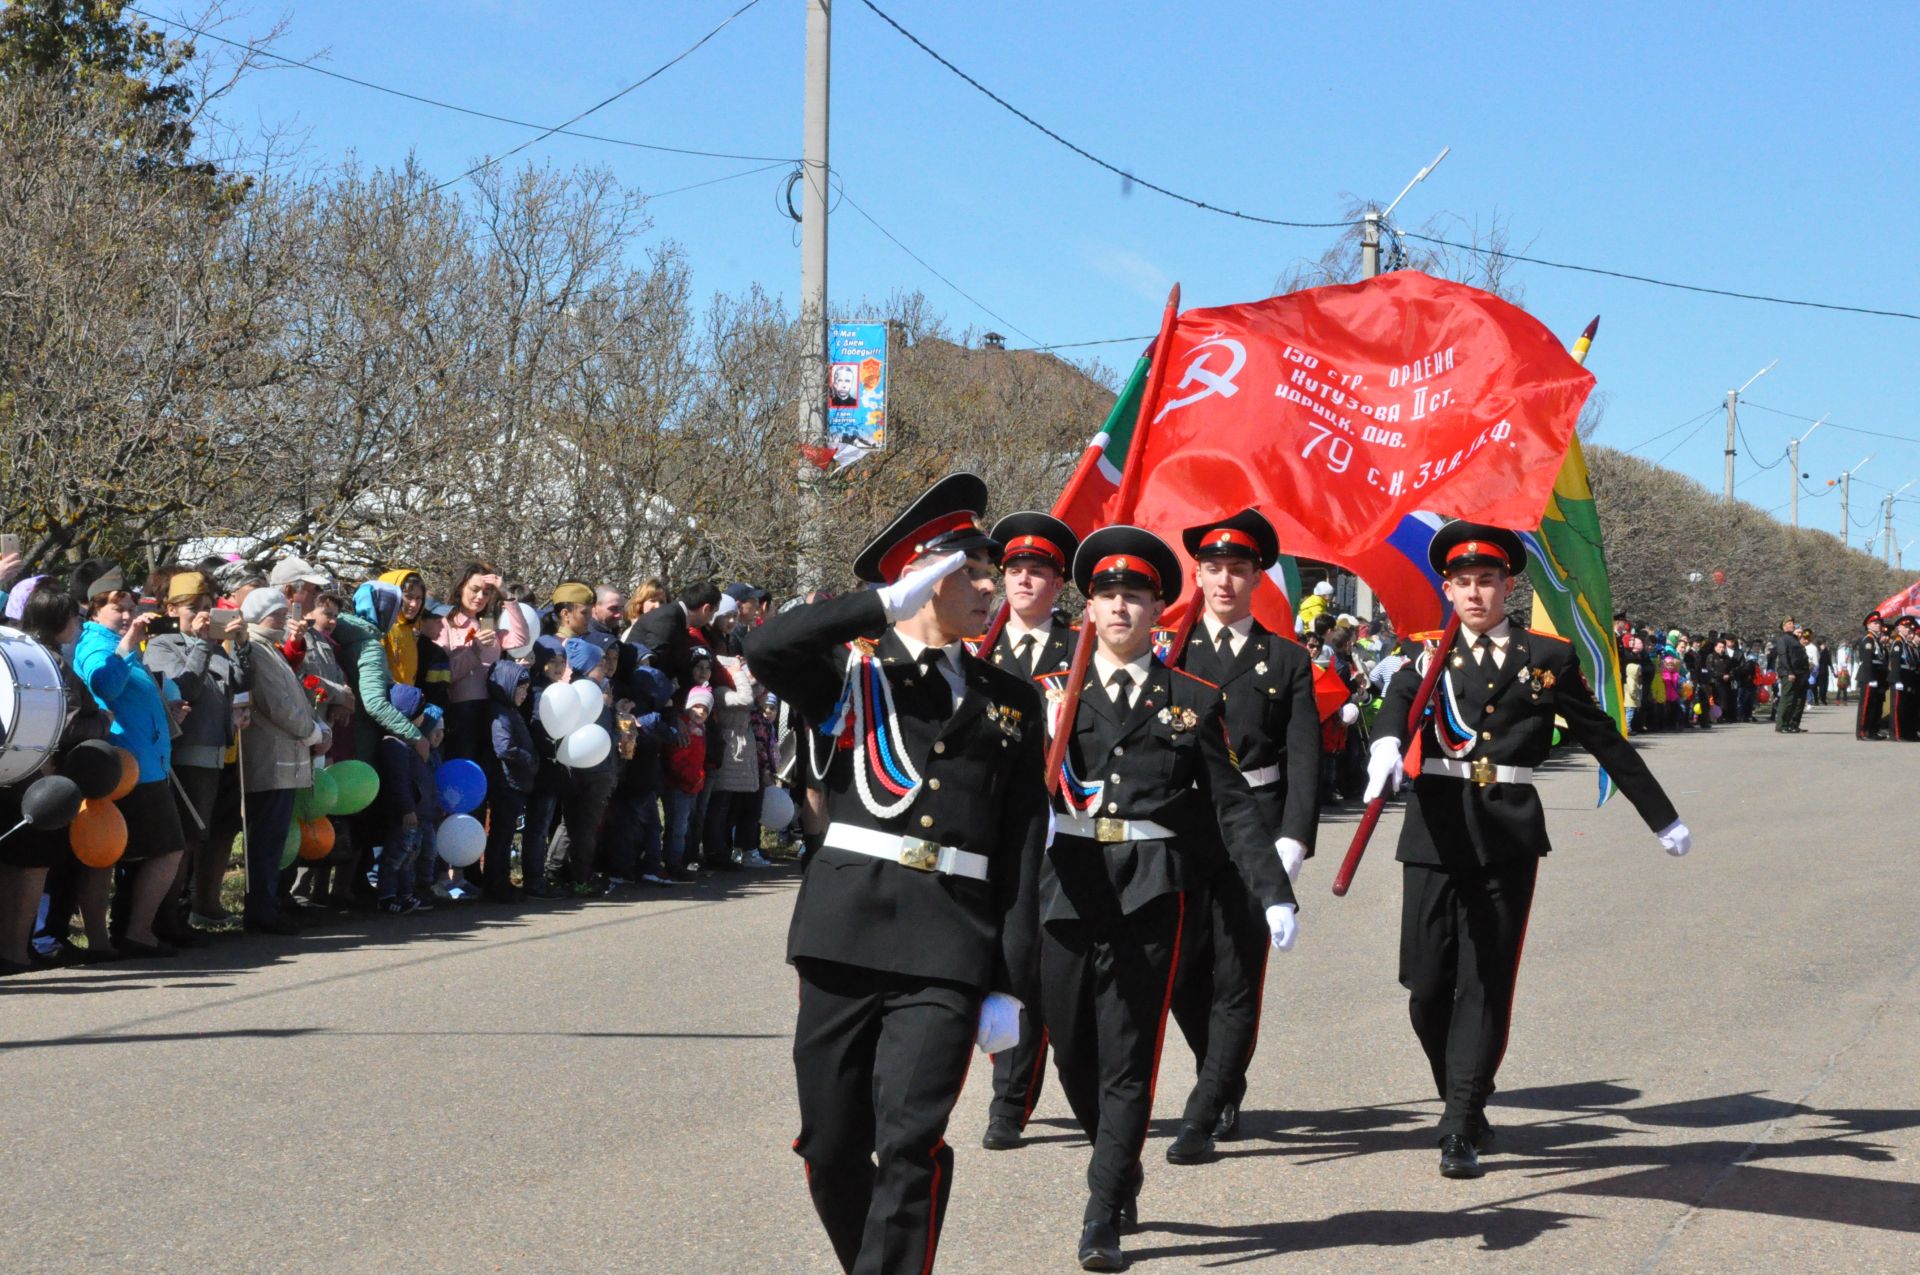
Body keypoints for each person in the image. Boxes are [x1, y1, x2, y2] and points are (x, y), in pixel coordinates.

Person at [743, 473, 1047, 1275]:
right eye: (974, 570)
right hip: (846, 932)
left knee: (910, 1140)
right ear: (922, 576)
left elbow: (1022, 846)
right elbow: (766, 647)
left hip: (950, 942)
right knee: (833, 1144)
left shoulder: (1011, 699)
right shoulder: (853, 677)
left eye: (994, 572)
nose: (992, 586)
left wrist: (1013, 980)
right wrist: (880, 603)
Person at [1363, 521, 1690, 1180]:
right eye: (1463, 581)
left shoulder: (1548, 655)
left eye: (1488, 580)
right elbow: (1397, 704)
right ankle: (1463, 1092)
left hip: (1507, 828)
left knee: (1485, 979)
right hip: (1434, 829)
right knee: (1427, 988)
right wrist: (1384, 744)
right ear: (1447, 588)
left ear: (1508, 585)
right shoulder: (1426, 654)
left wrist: (1660, 813)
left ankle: (1460, 1117)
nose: (1476, 592)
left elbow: (1602, 735)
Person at [1035, 525, 1298, 1271]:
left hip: (1151, 888)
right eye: (1107, 594)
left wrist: (1272, 889)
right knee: (1072, 1051)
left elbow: (1232, 806)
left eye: (1136, 594)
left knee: (1127, 1054)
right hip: (1067, 885)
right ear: (1088, 607)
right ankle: (1118, 1160)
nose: (1120, 607)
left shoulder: (1191, 698)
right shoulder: (1053, 693)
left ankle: (1102, 1207)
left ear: (1159, 607)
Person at [1163, 509, 1321, 1165]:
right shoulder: (1170, 652)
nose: (1224, 580)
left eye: (1237, 569)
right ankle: (1221, 1070)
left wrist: (1295, 839)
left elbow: (1305, 755)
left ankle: (1203, 1111)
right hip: (1181, 829)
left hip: (1255, 822)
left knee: (1236, 974)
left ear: (1257, 576)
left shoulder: (1284, 657)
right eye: (1213, 568)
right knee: (1178, 974)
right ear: (1197, 575)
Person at [977, 510, 1079, 1153]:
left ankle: (1033, 1094)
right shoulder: (975, 648)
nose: (1022, 581)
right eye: (1014, 569)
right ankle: (1004, 1096)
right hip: (986, 827)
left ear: (1058, 584)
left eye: (1037, 571)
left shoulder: (1083, 651)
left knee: (1045, 969)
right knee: (994, 965)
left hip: (1059, 829)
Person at [72, 562, 191, 956]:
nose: (126, 616)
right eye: (116, 608)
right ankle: (125, 935)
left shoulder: (119, 644)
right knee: (146, 851)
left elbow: (130, 696)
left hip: (145, 765)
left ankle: (122, 934)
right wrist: (127, 645)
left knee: (125, 855)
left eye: (130, 607)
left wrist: (168, 715)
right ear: (94, 609)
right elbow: (105, 683)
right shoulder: (95, 646)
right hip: (124, 768)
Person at [143, 571, 250, 934]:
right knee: (186, 838)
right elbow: (185, 688)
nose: (202, 614)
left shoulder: (214, 645)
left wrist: (242, 644)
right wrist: (202, 645)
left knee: (206, 835)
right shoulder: (163, 644)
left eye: (207, 607)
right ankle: (169, 916)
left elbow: (239, 682)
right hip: (188, 751)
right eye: (193, 608)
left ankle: (192, 908)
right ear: (172, 609)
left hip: (221, 750)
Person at [236, 589, 332, 935]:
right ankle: (261, 908)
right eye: (276, 613)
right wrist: (312, 732)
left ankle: (270, 903)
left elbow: (293, 699)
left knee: (275, 840)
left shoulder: (270, 648)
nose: (282, 618)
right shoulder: (258, 650)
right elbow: (276, 704)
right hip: (270, 758)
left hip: (284, 758)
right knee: (265, 840)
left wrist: (315, 726)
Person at [376, 683, 435, 914]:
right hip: (405, 814)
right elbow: (399, 782)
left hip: (417, 813)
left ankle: (405, 894)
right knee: (395, 856)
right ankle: (386, 895)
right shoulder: (394, 745)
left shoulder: (410, 744)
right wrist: (407, 809)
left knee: (408, 857)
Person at [632, 581, 720, 686]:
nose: (711, 619)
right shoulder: (667, 620)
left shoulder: (676, 618)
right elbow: (655, 665)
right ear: (706, 608)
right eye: (714, 612)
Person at [1768, 616, 1809, 734]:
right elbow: (1783, 656)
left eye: (1793, 623)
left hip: (1799, 673)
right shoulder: (1783, 639)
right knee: (1787, 699)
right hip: (1788, 673)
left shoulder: (1794, 639)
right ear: (1784, 626)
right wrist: (1789, 671)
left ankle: (1791, 724)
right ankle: (1781, 725)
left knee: (1796, 700)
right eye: (1790, 623)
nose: (1792, 625)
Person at [1857, 613, 1890, 740]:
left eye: (1879, 623)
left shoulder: (1877, 640)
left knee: (1876, 706)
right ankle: (1863, 732)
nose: (1878, 625)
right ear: (1868, 625)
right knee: (1867, 706)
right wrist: (1870, 678)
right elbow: (1867, 661)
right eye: (1875, 623)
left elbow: (1882, 659)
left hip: (1878, 676)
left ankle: (1873, 730)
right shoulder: (1868, 640)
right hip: (1869, 676)